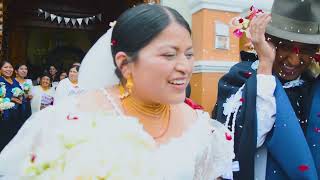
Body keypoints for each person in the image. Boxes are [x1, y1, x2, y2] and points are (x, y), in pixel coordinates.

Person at [0, 4, 234, 179]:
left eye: (189, 54)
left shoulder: (197, 123)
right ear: (125, 64)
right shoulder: (73, 120)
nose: (185, 66)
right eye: (169, 54)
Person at [213, 0, 320, 179]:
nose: (294, 60)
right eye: (285, 46)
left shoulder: (313, 87)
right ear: (268, 40)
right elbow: (243, 142)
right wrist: (265, 66)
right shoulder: (240, 79)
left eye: (306, 50)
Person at [0, 61, 24, 151]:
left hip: (17, 116)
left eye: (10, 67)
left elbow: (21, 94)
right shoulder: (0, 81)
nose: (8, 69)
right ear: (0, 70)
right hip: (4, 116)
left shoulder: (15, 81)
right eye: (5, 67)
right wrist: (11, 98)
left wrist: (22, 97)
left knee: (13, 142)